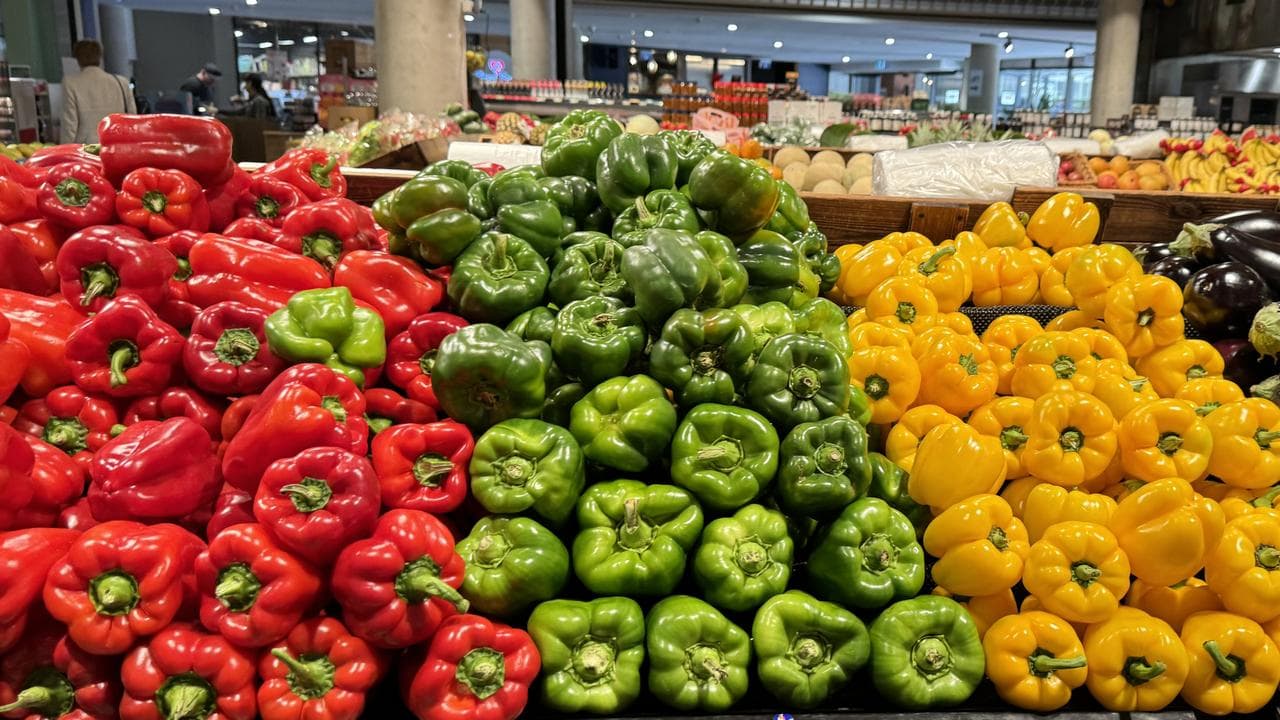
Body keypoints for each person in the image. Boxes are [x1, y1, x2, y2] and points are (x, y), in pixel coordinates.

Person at [60, 40, 136, 143]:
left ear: (77, 59)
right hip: (118, 144)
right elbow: (132, 118)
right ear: (100, 56)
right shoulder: (121, 82)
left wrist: (64, 150)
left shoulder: (70, 83)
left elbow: (69, 124)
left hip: (87, 149)